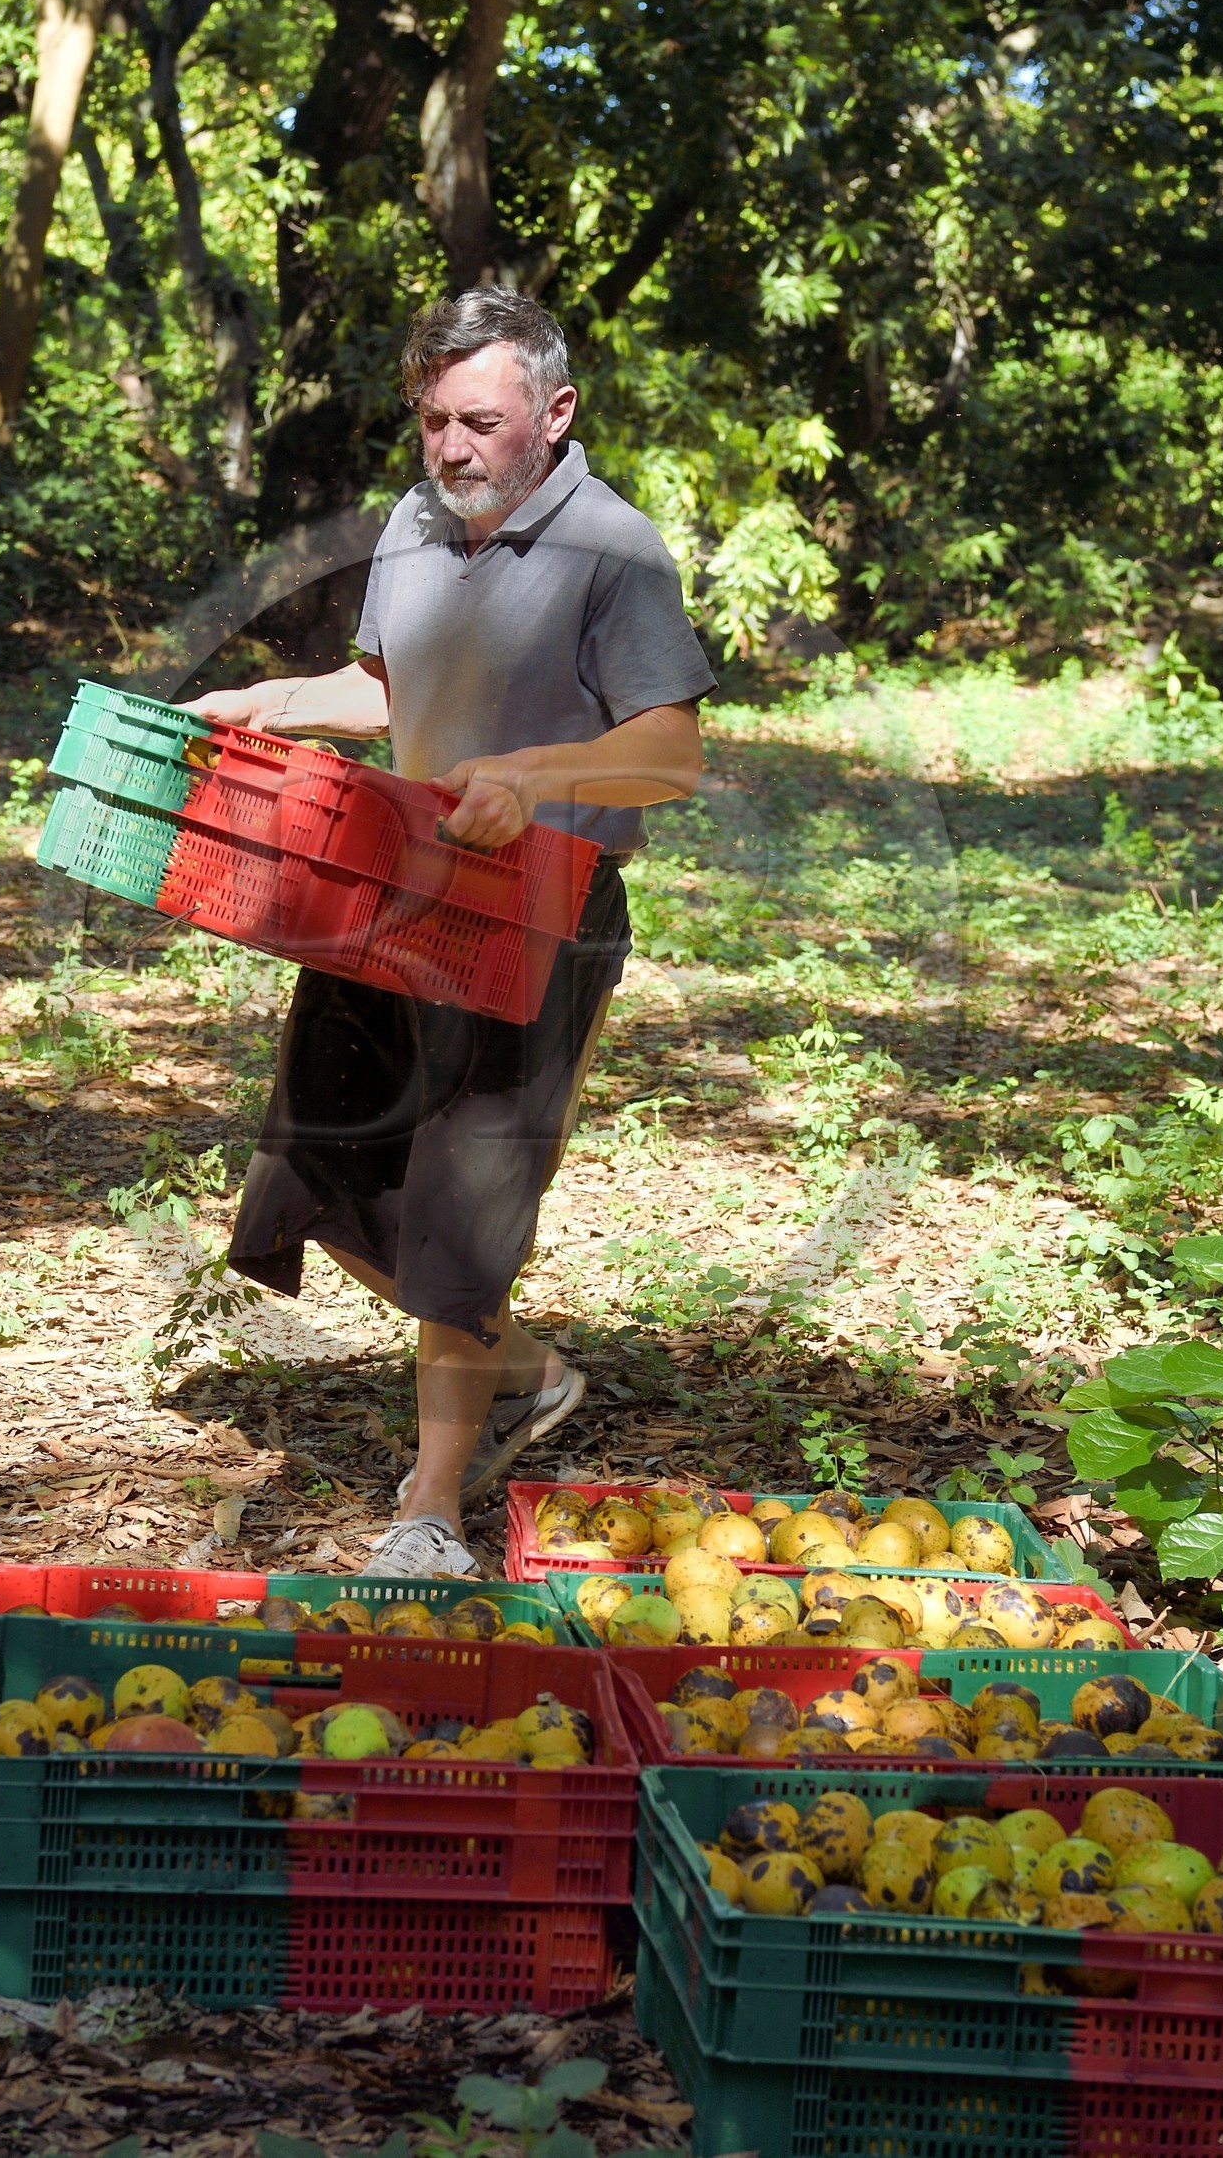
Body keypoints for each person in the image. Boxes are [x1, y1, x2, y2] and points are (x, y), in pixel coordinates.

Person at [188, 287, 715, 1575]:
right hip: (393, 896)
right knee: (319, 1172)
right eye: (432, 422)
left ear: (555, 412)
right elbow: (381, 689)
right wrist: (267, 698)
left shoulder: (616, 549)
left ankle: (427, 1511)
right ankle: (526, 1371)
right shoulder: (413, 529)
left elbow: (670, 753)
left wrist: (531, 779)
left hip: (539, 919)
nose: (452, 449)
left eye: (479, 421)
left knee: (465, 1218)